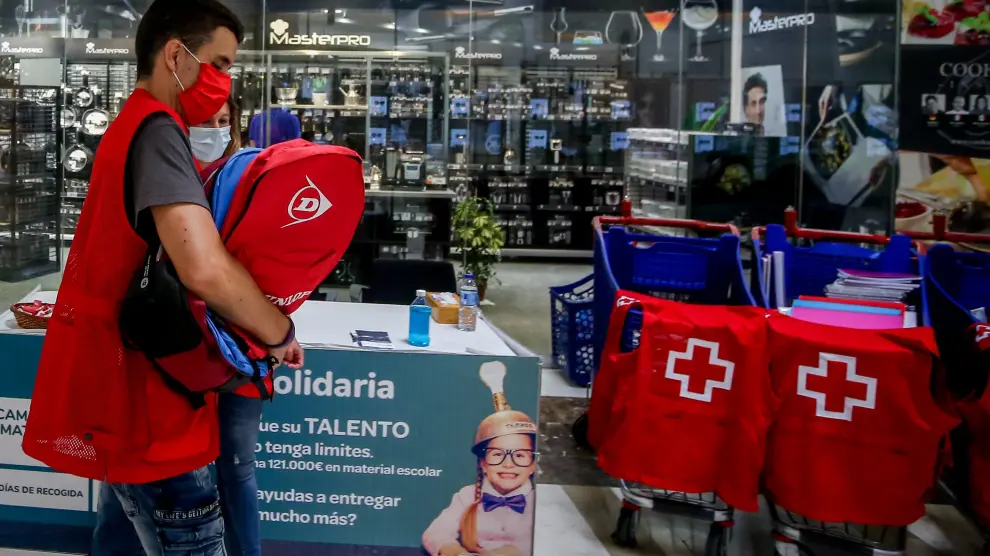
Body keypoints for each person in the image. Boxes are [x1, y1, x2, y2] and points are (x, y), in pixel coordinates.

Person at [21, 1, 302, 554]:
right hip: (154, 403)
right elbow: (204, 266)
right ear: (176, 55)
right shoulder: (157, 130)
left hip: (135, 385)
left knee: (124, 532)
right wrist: (278, 332)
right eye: (219, 64)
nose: (224, 81)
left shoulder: (134, 124)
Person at [423, 364, 537, 556]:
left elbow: (540, 542)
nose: (508, 464)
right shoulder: (467, 496)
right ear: (483, 463)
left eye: (519, 455)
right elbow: (435, 533)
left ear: (533, 464)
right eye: (497, 454)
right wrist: (454, 551)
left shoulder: (538, 502)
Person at [190, 95, 241, 166]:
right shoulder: (175, 169)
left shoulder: (241, 167)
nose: (216, 128)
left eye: (222, 121)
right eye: (206, 121)